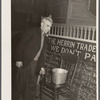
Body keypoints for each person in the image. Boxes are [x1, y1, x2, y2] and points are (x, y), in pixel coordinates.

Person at [13, 15, 53, 100]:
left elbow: (42, 53)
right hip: (25, 62)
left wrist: (41, 66)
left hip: (35, 64)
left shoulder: (45, 38)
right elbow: (20, 45)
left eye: (50, 26)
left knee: (31, 86)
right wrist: (19, 59)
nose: (49, 28)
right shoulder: (32, 31)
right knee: (20, 85)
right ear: (42, 24)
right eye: (47, 26)